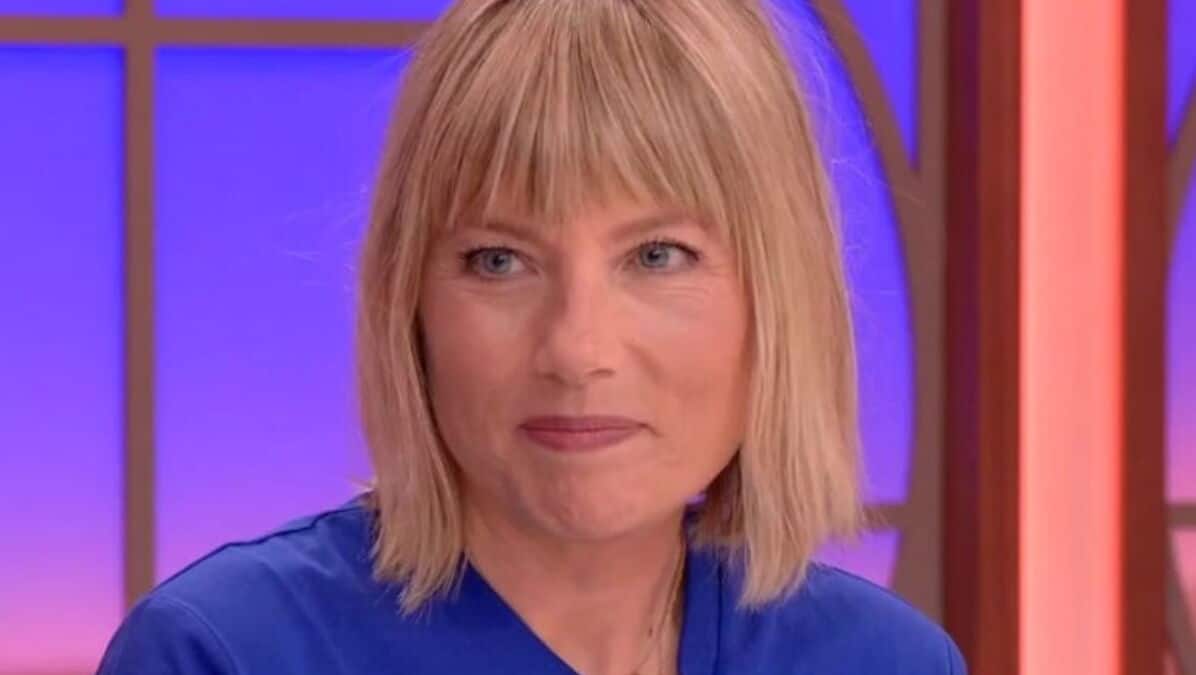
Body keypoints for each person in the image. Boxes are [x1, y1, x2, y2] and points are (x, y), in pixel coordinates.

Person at [97, 0, 967, 673]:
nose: (577, 349)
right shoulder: (223, 653)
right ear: (410, 303)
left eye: (657, 255)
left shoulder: (885, 661)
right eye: (500, 260)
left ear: (778, 299)